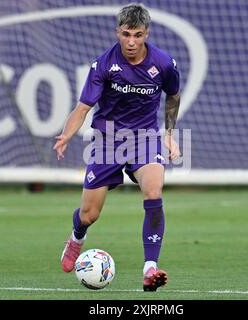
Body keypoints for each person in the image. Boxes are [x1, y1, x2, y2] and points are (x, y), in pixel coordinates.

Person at [53, 3, 181, 292]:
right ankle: (76, 237)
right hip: (108, 141)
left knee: (154, 190)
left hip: (145, 139)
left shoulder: (163, 64)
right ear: (117, 33)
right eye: (126, 34)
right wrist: (66, 135)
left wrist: (170, 133)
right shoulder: (104, 65)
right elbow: (83, 107)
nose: (132, 42)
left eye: (137, 34)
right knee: (90, 214)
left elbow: (173, 96)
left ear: (146, 33)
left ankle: (150, 268)